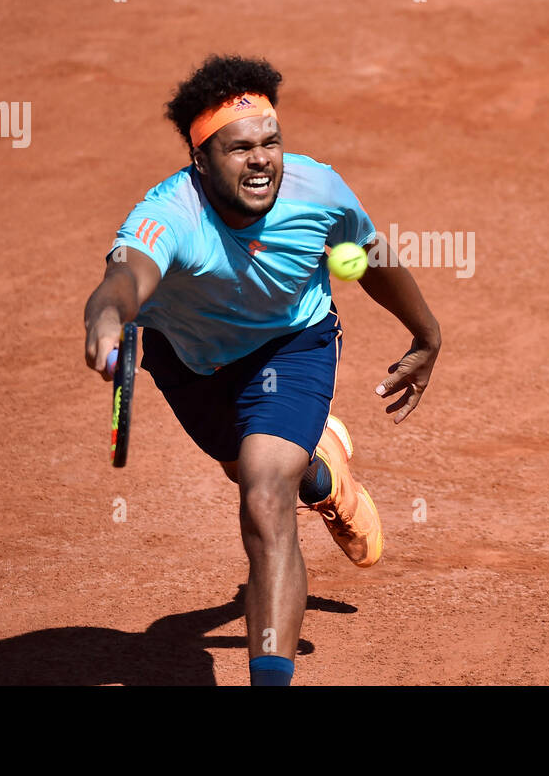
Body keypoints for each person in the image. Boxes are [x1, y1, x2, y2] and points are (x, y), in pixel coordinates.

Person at [82, 54, 441, 686]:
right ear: (200, 160)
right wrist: (106, 322)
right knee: (241, 465)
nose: (261, 159)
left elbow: (373, 253)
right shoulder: (169, 214)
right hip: (190, 361)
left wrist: (427, 334)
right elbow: (122, 281)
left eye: (271, 142)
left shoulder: (318, 189)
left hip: (291, 347)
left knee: (263, 495)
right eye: (239, 147)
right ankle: (322, 472)